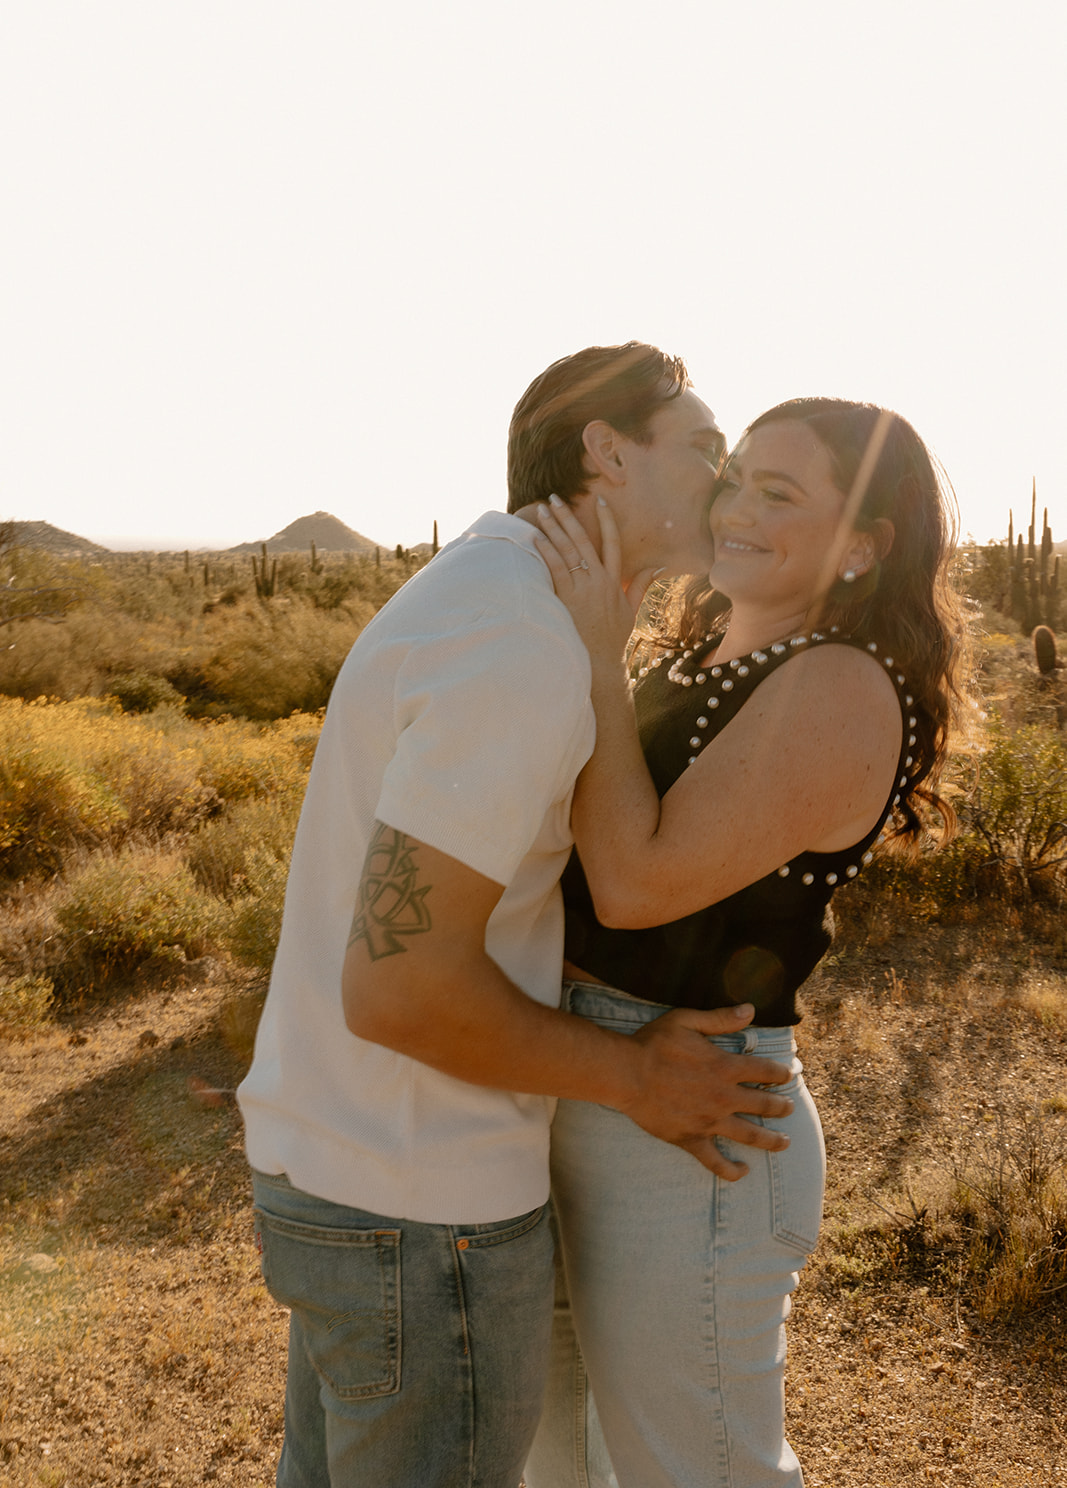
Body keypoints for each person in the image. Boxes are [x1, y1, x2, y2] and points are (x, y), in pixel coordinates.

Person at [236, 342, 797, 1488]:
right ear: (606, 450)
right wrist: (635, 1076)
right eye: (701, 447)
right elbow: (398, 984)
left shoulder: (489, 594)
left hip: (348, 1179)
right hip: (421, 1212)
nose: (726, 477)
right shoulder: (515, 643)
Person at [525, 397, 963, 1488]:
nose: (737, 505)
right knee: (562, 1463)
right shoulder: (694, 653)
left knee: (696, 1471)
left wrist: (589, 640)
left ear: (863, 544)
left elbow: (630, 884)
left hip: (693, 1126)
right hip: (587, 1076)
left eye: (783, 491)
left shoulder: (837, 685)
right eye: (737, 478)